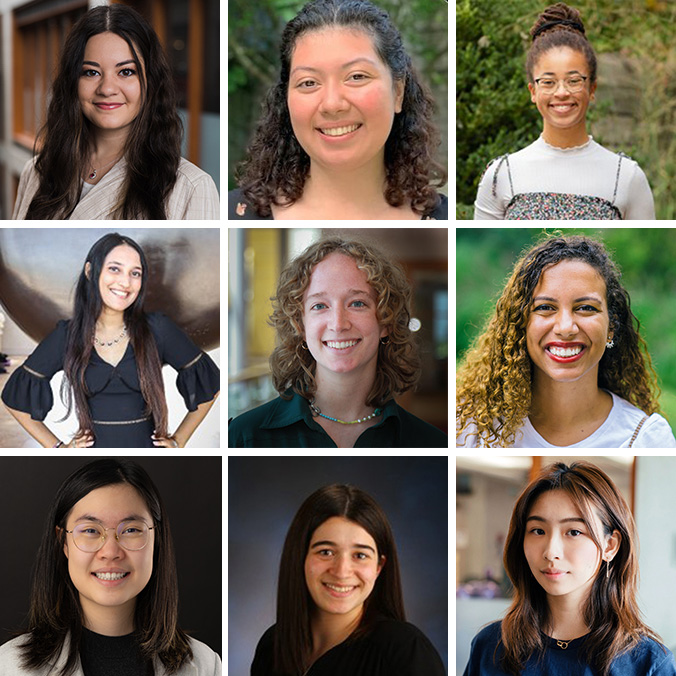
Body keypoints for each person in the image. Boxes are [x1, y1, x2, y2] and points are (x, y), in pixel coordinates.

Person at [228, 0, 447, 221]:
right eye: (309, 82)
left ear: (398, 92)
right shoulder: (231, 214)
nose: (332, 104)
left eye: (357, 76)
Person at [0, 458, 221, 675]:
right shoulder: (8, 667)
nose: (111, 552)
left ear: (157, 539)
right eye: (90, 530)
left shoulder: (206, 665)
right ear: (63, 542)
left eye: (131, 530)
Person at [1, 233, 220, 448]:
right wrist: (58, 448)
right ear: (90, 271)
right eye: (114, 269)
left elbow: (210, 382)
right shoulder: (68, 335)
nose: (125, 282)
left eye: (135, 273)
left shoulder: (157, 328)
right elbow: (14, 398)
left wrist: (179, 440)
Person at [456, 234, 676, 447]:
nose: (565, 328)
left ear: (611, 327)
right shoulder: (470, 428)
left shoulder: (646, 439)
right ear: (520, 324)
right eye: (545, 308)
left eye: (586, 308)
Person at [228, 237, 447, 448]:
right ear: (300, 326)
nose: (338, 324)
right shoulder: (244, 436)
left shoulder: (432, 443)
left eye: (357, 303)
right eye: (320, 306)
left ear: (386, 322)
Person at [464, 461, 676, 675]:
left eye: (574, 532)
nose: (550, 551)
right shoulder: (490, 647)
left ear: (610, 546)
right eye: (538, 531)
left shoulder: (649, 663)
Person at [12, 5, 219, 220]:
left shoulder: (191, 189)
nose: (107, 88)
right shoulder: (37, 172)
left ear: (151, 81)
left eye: (126, 72)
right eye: (91, 72)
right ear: (72, 82)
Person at [473, 2, 654, 220]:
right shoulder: (502, 175)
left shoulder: (626, 175)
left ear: (592, 88)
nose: (561, 92)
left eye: (574, 80)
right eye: (548, 82)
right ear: (533, 91)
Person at [251, 483, 445, 675]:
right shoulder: (272, 646)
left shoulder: (406, 651)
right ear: (300, 557)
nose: (342, 571)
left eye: (360, 555)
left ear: (379, 566)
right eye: (325, 552)